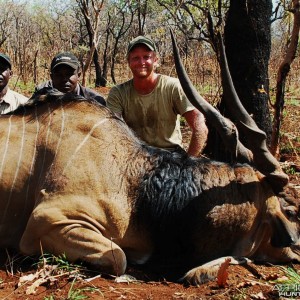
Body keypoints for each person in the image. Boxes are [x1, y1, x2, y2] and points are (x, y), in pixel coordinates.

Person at [107, 36, 208, 156]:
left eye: (146, 57)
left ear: (156, 60)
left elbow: (200, 127)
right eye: (135, 58)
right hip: (136, 157)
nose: (141, 62)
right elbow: (111, 131)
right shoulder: (118, 93)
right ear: (128, 62)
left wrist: (189, 161)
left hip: (171, 157)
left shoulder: (173, 86)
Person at [32, 52, 106, 106]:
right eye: (59, 75)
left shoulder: (95, 100)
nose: (64, 79)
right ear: (52, 77)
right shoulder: (41, 94)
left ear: (79, 75)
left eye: (69, 74)